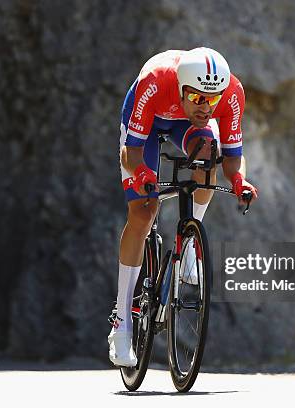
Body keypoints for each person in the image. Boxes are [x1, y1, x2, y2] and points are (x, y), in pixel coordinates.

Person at [108, 47, 258, 366]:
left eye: (213, 99)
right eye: (198, 98)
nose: (206, 107)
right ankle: (121, 322)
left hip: (183, 128)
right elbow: (130, 153)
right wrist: (145, 174)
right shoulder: (156, 81)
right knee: (143, 212)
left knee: (207, 152)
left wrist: (240, 180)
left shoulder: (232, 92)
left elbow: (232, 158)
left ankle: (189, 245)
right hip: (146, 124)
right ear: (181, 88)